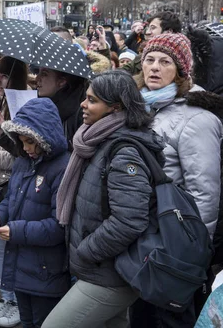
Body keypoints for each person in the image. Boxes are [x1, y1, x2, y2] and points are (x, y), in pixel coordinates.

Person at [42, 70, 164, 328]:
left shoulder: (124, 152)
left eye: (92, 100)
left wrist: (86, 250)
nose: (83, 105)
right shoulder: (97, 140)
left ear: (115, 107)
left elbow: (130, 220)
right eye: (85, 98)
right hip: (101, 269)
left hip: (110, 273)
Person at [129, 33, 223, 327]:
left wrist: (190, 256)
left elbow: (205, 194)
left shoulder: (197, 118)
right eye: (150, 59)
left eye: (165, 61)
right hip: (143, 240)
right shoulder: (143, 107)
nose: (155, 67)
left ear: (181, 71)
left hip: (173, 247)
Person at [0, 97, 70, 328]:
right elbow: (11, 199)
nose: (26, 148)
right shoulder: (24, 162)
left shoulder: (62, 168)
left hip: (46, 271)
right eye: (22, 142)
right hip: (21, 264)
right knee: (26, 322)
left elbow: (57, 226)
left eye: (31, 142)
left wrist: (14, 230)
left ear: (45, 137)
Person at [0, 57, 28, 327]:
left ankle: (17, 302)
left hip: (12, 183)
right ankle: (5, 297)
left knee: (13, 247)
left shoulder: (23, 105)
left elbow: (25, 154)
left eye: (4, 76)